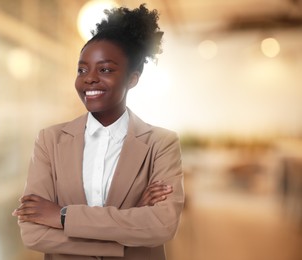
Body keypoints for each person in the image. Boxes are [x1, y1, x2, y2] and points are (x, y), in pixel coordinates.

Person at [12, 4, 184, 259]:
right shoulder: (50, 140)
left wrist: (61, 215)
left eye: (105, 69)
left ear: (132, 78)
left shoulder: (162, 144)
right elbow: (33, 233)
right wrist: (128, 231)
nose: (89, 78)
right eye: (82, 69)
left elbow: (161, 225)